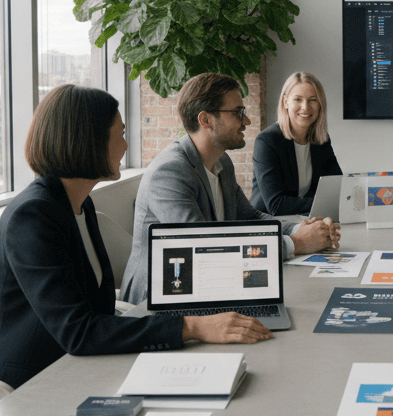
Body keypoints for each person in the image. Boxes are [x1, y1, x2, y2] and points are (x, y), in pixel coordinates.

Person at [0, 85, 272, 390]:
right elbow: (78, 331)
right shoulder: (32, 217)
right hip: (27, 382)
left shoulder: (79, 203)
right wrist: (192, 326)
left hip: (80, 365)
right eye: (120, 134)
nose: (125, 146)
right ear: (89, 141)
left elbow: (94, 315)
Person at [119, 73, 341, 304]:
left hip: (211, 283)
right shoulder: (169, 173)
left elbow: (251, 217)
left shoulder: (221, 162)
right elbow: (205, 250)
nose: (247, 122)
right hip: (162, 299)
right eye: (238, 113)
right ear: (206, 120)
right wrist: (297, 243)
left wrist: (300, 229)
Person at [251, 72, 344, 215]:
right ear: (285, 102)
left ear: (320, 104)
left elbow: (336, 186)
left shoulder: (321, 139)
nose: (305, 107)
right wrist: (324, 203)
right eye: (298, 99)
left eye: (313, 100)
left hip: (304, 220)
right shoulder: (267, 141)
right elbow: (276, 204)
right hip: (269, 224)